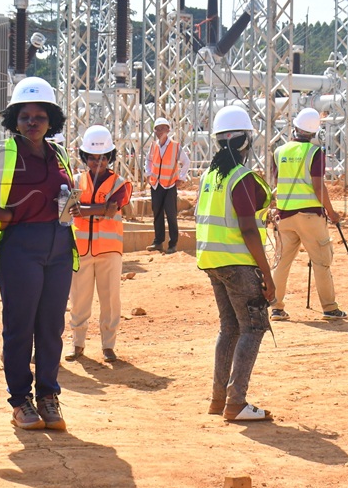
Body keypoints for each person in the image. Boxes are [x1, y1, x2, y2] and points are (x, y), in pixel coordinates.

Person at [0, 77, 77, 431]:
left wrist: (73, 206)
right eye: (25, 116)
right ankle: (20, 400)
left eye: (40, 116)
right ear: (14, 120)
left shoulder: (60, 154)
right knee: (20, 327)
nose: (33, 122)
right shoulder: (1, 152)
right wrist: (5, 215)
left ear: (51, 119)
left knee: (52, 327)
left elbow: (66, 194)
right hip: (19, 249)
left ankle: (49, 397)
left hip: (58, 246)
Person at [196, 105, 276, 422]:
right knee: (253, 328)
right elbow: (247, 229)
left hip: (212, 261)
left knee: (229, 329)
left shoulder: (209, 176)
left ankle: (219, 399)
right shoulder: (241, 178)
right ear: (246, 142)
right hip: (238, 264)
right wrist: (268, 276)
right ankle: (236, 402)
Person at [269, 107, 346, 321]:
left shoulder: (279, 151)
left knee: (282, 263)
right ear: (314, 132)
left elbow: (276, 182)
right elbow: (318, 187)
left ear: (295, 127)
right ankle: (329, 308)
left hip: (284, 216)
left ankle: (276, 307)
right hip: (310, 216)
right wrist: (332, 212)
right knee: (321, 263)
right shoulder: (315, 153)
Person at [65, 125, 133, 363]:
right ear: (85, 157)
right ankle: (77, 344)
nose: (98, 162)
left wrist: (81, 210)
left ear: (110, 157)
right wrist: (97, 210)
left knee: (110, 300)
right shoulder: (75, 181)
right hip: (81, 250)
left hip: (109, 252)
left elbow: (112, 208)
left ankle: (108, 345)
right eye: (93, 158)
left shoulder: (120, 183)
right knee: (78, 300)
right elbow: (66, 212)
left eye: (103, 157)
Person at [144, 116, 190, 254]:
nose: (160, 131)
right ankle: (158, 242)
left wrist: (181, 177)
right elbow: (148, 160)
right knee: (157, 213)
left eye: (162, 128)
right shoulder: (153, 145)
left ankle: (172, 244)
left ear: (168, 130)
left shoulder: (175, 146)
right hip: (156, 184)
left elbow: (186, 162)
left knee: (171, 214)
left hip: (169, 185)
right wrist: (148, 173)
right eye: (157, 129)